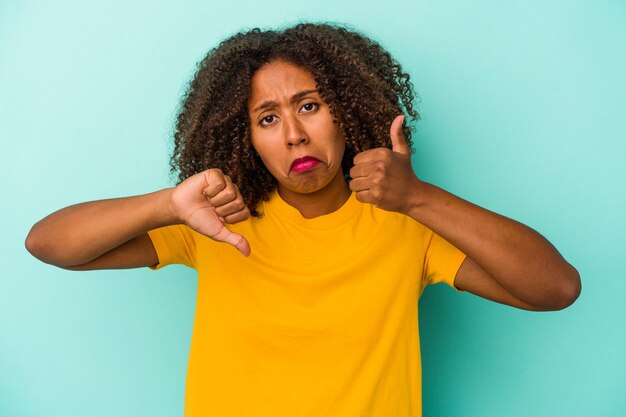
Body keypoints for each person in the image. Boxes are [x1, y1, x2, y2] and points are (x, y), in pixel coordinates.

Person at [25, 23, 580, 417]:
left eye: (310, 106)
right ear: (245, 137)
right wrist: (168, 204)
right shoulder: (216, 222)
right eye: (268, 118)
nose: (293, 133)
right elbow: (48, 243)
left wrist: (417, 198)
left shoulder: (409, 225)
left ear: (348, 110)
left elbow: (555, 287)